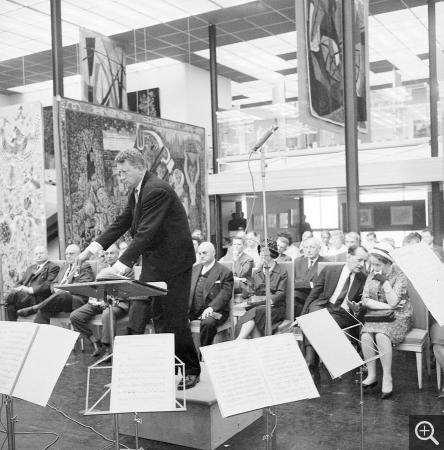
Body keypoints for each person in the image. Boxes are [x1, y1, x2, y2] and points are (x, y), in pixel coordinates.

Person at [76, 149, 201, 390]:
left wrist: (120, 266)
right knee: (160, 317)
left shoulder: (156, 190)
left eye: (124, 172)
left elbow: (145, 232)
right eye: (118, 172)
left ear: (139, 167)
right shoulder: (138, 191)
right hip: (156, 262)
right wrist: (88, 252)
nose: (120, 177)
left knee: (174, 318)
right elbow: (121, 223)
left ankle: (192, 368)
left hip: (174, 263)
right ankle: (171, 366)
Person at [291, 245, 369, 385]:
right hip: (322, 306)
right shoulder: (329, 270)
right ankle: (312, 360)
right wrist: (301, 317)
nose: (362, 264)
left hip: (343, 313)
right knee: (314, 316)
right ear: (348, 256)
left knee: (318, 320)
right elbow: (313, 295)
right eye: (359, 260)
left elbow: (362, 307)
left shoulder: (363, 278)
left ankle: (310, 362)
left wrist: (358, 307)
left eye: (364, 261)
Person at [360, 243, 413, 399]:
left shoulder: (400, 275)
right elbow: (365, 300)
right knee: (365, 335)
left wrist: (385, 282)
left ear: (388, 262)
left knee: (382, 335)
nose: (375, 268)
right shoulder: (371, 274)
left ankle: (387, 377)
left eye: (379, 264)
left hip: (399, 316)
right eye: (373, 264)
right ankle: (372, 374)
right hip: (377, 315)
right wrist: (388, 306)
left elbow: (394, 301)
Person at [70, 244, 135, 360]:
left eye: (112, 253)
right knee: (75, 316)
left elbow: (126, 291)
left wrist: (107, 300)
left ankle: (109, 349)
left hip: (118, 303)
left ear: (119, 254)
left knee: (107, 313)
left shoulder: (127, 269)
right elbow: (97, 288)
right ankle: (95, 341)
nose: (109, 256)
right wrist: (97, 299)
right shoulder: (102, 269)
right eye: (107, 253)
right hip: (100, 302)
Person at [17, 244, 94, 323]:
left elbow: (84, 285)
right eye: (66, 254)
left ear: (79, 255)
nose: (68, 256)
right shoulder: (64, 266)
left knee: (62, 294)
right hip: (60, 299)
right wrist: (55, 289)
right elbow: (54, 283)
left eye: (71, 254)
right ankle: (40, 334)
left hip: (75, 300)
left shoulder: (84, 266)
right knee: (44, 310)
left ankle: (35, 308)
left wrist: (65, 290)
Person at [236, 239, 287, 339]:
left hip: (275, 308)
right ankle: (249, 343)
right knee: (255, 315)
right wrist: (244, 285)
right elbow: (252, 293)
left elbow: (280, 294)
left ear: (272, 254)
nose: (262, 255)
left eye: (265, 252)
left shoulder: (282, 272)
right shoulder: (256, 272)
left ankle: (238, 340)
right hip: (258, 308)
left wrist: (261, 301)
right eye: (261, 252)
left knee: (255, 312)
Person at [188, 242, 234, 347]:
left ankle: (204, 353)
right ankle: (186, 355)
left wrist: (212, 308)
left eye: (204, 253)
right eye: (199, 253)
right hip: (193, 310)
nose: (201, 256)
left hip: (216, 311)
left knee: (208, 322)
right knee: (176, 320)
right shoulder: (194, 269)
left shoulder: (224, 272)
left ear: (214, 252)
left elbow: (226, 293)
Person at [5, 246, 60, 321]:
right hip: (24, 297)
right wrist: (19, 288)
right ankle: (12, 327)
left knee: (11, 296)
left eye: (41, 253)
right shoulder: (30, 268)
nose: (39, 255)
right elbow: (20, 283)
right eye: (36, 254)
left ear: (47, 254)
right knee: (10, 304)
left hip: (38, 298)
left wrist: (28, 290)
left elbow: (48, 285)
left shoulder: (53, 267)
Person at [293, 237, 328, 317]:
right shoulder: (298, 261)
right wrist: (310, 284)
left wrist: (304, 284)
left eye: (312, 247)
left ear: (319, 248)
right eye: (305, 247)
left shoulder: (325, 263)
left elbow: (322, 286)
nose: (308, 250)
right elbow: (293, 282)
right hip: (297, 295)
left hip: (315, 296)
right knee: (293, 299)